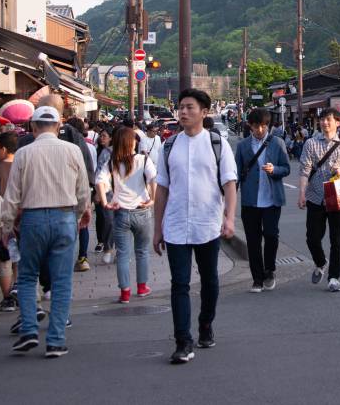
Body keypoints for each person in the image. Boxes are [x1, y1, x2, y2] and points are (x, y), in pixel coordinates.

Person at [153, 89, 237, 364]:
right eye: (181, 107)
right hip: (176, 224)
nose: (183, 112)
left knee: (210, 279)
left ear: (204, 112)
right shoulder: (169, 146)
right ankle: (182, 341)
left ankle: (205, 323)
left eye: (190, 107)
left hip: (207, 223)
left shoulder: (217, 143)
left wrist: (229, 218)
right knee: (179, 283)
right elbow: (161, 189)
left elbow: (229, 183)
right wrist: (157, 228)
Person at [1, 105, 91, 358]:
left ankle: (29, 329)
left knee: (28, 276)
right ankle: (56, 340)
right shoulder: (72, 150)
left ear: (33, 127)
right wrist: (80, 213)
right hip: (64, 217)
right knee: (62, 280)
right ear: (58, 126)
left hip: (33, 218)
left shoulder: (23, 153)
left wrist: (6, 226)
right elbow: (83, 190)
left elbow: (12, 194)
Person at [298, 108, 340, 293]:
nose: (324, 122)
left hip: (338, 194)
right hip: (315, 195)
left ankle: (334, 277)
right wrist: (302, 193)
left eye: (328, 119)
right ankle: (321, 261)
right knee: (312, 237)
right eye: (322, 119)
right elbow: (304, 170)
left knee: (337, 239)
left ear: (338, 122)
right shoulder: (311, 143)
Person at [96, 127, 156, 302]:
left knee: (122, 253)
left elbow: (99, 181)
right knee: (142, 251)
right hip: (142, 210)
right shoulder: (144, 160)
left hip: (121, 212)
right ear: (132, 142)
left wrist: (105, 202)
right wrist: (152, 199)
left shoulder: (112, 162)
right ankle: (142, 287)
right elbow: (153, 179)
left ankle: (125, 292)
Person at [235, 109, 290, 293]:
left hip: (272, 199)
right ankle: (257, 279)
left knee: (271, 235)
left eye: (264, 126)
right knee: (253, 240)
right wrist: (228, 200)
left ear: (268, 126)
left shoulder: (277, 143)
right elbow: (236, 173)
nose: (260, 130)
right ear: (250, 125)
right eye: (256, 126)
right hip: (250, 201)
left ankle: (269, 270)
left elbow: (286, 168)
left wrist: (275, 170)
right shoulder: (242, 146)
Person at [0, 131, 18, 312]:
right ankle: (21, 291)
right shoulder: (23, 165)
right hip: (21, 217)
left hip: (1, 217)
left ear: (4, 149)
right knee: (19, 257)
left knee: (4, 258)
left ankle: (8, 298)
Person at [94, 129, 115, 256]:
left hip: (109, 190)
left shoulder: (110, 152)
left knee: (109, 219)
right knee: (102, 218)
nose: (102, 138)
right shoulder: (98, 150)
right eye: (100, 136)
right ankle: (103, 242)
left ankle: (108, 246)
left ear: (111, 138)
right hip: (101, 188)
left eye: (104, 136)